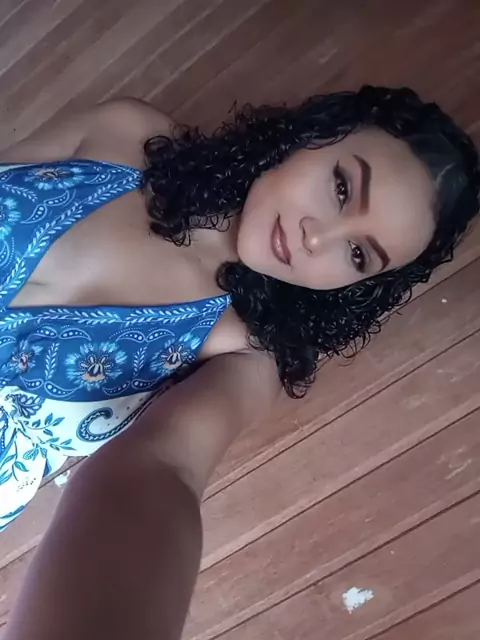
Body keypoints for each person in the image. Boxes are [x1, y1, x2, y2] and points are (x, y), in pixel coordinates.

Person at [0, 86, 478, 532]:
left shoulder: (245, 354)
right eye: (341, 188)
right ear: (311, 136)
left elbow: (167, 468)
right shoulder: (125, 130)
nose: (316, 239)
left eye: (357, 254)